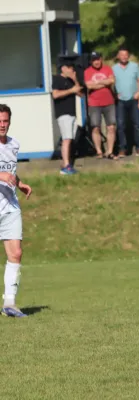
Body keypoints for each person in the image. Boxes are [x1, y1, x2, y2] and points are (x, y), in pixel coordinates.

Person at [0, 104, 33, 318]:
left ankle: (9, 304)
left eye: (5, 121)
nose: (2, 125)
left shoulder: (14, 144)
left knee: (16, 253)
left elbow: (10, 171)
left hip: (10, 205)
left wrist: (19, 184)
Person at [112, 46, 139, 157]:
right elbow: (111, 83)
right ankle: (123, 148)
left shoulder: (135, 66)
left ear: (128, 56)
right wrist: (114, 94)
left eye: (126, 55)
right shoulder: (114, 68)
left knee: (137, 124)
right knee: (121, 125)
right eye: (122, 55)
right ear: (118, 56)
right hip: (120, 101)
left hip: (133, 99)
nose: (124, 57)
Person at [84, 52, 117, 160]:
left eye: (98, 59)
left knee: (111, 127)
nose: (96, 62)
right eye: (94, 60)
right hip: (94, 103)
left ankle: (110, 151)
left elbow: (112, 80)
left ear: (101, 59)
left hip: (109, 102)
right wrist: (104, 83)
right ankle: (99, 151)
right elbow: (89, 85)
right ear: (91, 61)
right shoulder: (87, 71)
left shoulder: (108, 69)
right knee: (95, 128)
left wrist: (97, 83)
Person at [52, 59, 82, 175]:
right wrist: (71, 90)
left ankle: (66, 163)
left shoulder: (71, 81)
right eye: (69, 68)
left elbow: (80, 94)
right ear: (63, 68)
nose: (71, 70)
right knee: (67, 139)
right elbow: (55, 95)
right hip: (63, 114)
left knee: (70, 139)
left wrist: (75, 81)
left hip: (72, 114)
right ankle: (66, 166)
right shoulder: (57, 79)